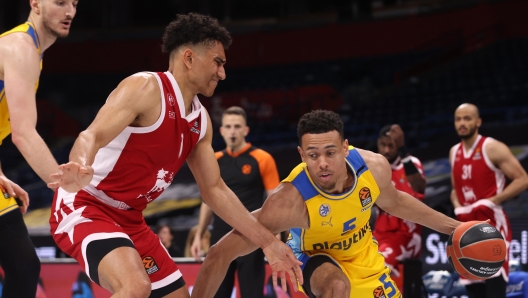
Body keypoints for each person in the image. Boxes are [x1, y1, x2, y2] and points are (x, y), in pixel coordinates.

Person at [47, 13, 302, 298]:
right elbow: (90, 135)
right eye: (218, 62)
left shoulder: (200, 121)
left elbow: (215, 191)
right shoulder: (144, 88)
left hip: (131, 220)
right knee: (135, 287)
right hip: (87, 204)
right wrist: (80, 165)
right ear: (190, 58)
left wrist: (268, 243)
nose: (222, 73)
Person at [191, 110, 464, 298]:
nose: (322, 163)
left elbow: (395, 202)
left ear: (345, 147)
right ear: (301, 155)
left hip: (363, 258)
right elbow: (218, 254)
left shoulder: (373, 168)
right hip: (313, 259)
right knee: (336, 285)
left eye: (330, 152)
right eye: (312, 154)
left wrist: (455, 228)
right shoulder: (289, 201)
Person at [0, 1, 78, 297]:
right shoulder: (20, 47)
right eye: (60, 2)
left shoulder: (31, 52)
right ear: (35, 3)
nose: (69, 11)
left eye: (74, 3)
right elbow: (23, 135)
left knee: (23, 265)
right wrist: (71, 191)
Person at [190, 106, 280, 298]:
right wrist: (199, 234)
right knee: (219, 294)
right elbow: (207, 201)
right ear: (221, 131)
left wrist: (276, 237)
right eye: (228, 127)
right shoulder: (213, 160)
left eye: (237, 126)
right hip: (220, 235)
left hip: (251, 237)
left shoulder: (262, 159)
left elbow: (274, 200)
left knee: (252, 293)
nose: (232, 131)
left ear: (245, 130)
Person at [450, 103, 528, 298]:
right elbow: (454, 189)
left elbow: (523, 179)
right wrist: (457, 205)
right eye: (458, 119)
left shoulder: (492, 147)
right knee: (473, 290)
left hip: (492, 224)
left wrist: (492, 200)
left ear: (478, 121)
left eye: (467, 118)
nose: (462, 123)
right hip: (465, 227)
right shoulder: (454, 152)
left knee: (494, 285)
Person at [374, 124, 426, 277]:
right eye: (383, 145)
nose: (387, 150)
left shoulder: (411, 163)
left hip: (407, 234)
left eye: (392, 146)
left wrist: (403, 151)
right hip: (380, 233)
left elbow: (420, 188)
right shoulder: (374, 168)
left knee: (379, 267)